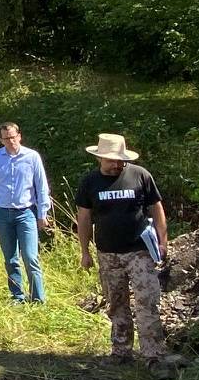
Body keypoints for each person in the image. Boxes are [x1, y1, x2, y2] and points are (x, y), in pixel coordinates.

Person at [74, 133, 172, 365]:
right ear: (100, 158)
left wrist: (163, 240)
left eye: (120, 160)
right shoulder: (90, 182)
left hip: (139, 251)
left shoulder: (140, 176)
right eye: (112, 160)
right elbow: (84, 218)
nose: (117, 164)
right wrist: (85, 252)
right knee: (116, 304)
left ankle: (154, 356)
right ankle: (121, 352)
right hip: (107, 253)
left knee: (147, 301)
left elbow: (156, 208)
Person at [0, 123, 52, 303]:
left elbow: (42, 186)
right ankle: (17, 296)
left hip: (26, 212)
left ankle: (38, 298)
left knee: (30, 257)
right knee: (10, 258)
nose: (10, 141)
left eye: (13, 137)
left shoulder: (32, 157)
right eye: (6, 138)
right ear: (1, 140)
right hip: (2, 213)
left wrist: (42, 213)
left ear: (19, 136)